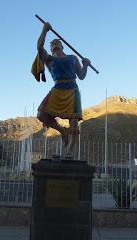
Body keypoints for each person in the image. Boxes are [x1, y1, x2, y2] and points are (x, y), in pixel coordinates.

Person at [36, 22, 91, 157]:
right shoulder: (49, 59)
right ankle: (62, 131)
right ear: (50, 48)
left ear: (62, 46)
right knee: (41, 114)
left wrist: (85, 65)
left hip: (72, 90)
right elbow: (39, 46)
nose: (54, 44)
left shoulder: (73, 58)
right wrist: (44, 30)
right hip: (57, 89)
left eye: (57, 42)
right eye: (51, 44)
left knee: (73, 123)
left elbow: (82, 76)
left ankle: (70, 152)